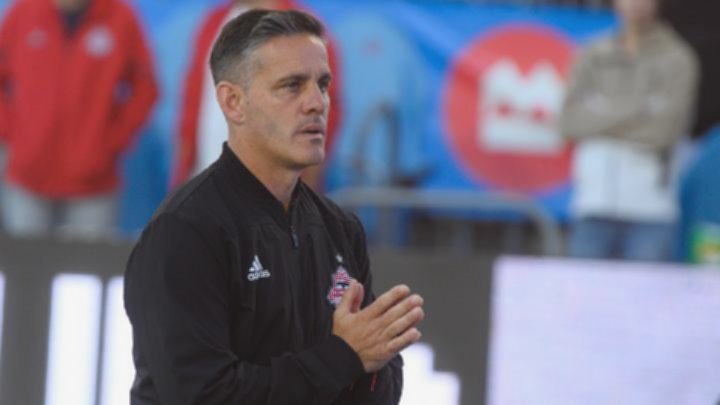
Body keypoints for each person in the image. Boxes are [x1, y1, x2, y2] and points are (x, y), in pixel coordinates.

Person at [124, 9, 424, 404]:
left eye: (323, 84)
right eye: (291, 86)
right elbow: (202, 395)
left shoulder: (340, 229)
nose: (316, 103)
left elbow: (376, 381)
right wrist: (343, 357)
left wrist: (369, 356)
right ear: (233, 102)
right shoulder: (184, 231)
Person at [0, 0, 157, 237]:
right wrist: (11, 134)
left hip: (93, 182)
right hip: (27, 176)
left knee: (86, 258)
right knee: (25, 259)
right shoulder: (22, 13)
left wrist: (112, 142)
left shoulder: (120, 17)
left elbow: (145, 88)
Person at [560, 0, 699, 261]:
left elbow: (665, 131)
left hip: (651, 208)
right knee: (586, 285)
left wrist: (602, 112)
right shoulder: (592, 51)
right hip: (593, 203)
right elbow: (569, 122)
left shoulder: (677, 57)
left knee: (647, 288)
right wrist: (643, 109)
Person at [172, 0, 341, 190]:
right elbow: (191, 110)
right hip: (207, 183)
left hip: (273, 191)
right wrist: (183, 178)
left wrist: (303, 188)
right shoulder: (213, 22)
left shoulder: (306, 33)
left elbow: (321, 118)